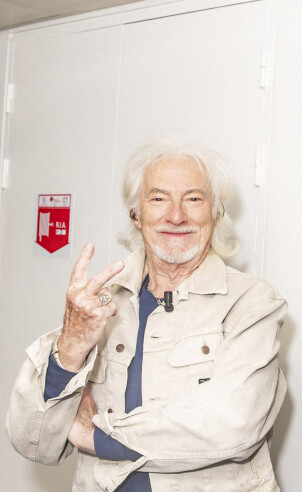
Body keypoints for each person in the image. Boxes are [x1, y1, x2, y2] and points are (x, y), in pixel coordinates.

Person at [6, 137, 287, 492]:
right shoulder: (98, 302)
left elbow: (233, 422)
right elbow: (34, 440)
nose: (176, 215)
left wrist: (97, 438)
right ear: (136, 215)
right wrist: (72, 347)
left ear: (216, 213)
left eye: (194, 199)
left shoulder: (253, 302)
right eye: (158, 199)